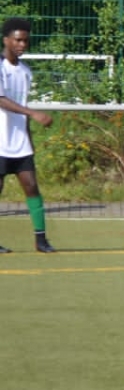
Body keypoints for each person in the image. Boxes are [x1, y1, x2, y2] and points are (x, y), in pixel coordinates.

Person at [0, 18, 56, 254]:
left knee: (32, 187)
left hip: (20, 142)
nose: (22, 44)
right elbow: (1, 100)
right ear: (6, 40)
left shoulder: (25, 71)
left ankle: (41, 240)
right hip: (0, 142)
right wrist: (33, 113)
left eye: (25, 40)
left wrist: (29, 139)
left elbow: (21, 104)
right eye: (18, 40)